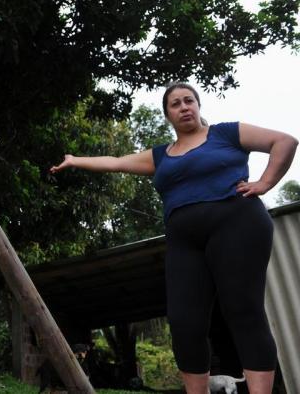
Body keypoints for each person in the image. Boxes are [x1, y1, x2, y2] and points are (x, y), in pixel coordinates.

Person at [50, 83, 298, 394]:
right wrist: (75, 159)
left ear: (198, 105)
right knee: (184, 323)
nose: (184, 107)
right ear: (168, 114)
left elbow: (284, 141)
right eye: (175, 104)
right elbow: (115, 161)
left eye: (189, 101)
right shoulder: (160, 156)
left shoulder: (226, 134)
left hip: (238, 225)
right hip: (184, 240)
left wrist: (264, 182)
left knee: (242, 310)